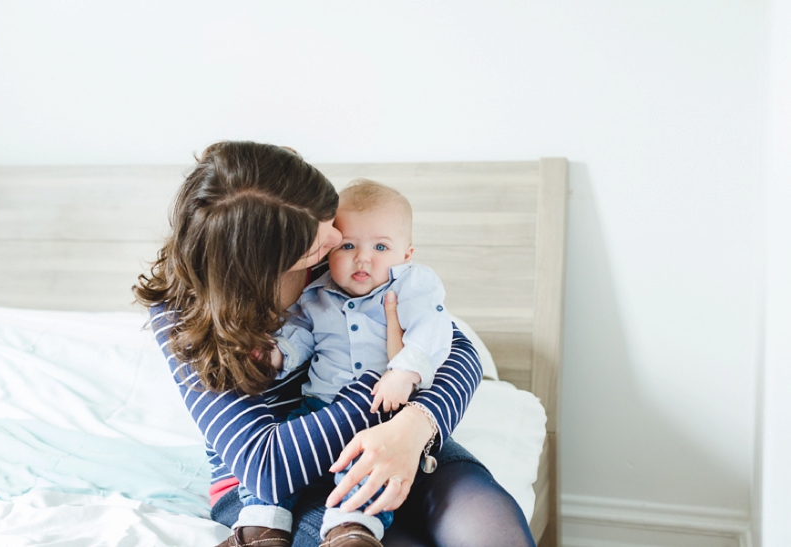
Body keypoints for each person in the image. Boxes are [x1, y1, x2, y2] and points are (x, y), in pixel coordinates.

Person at [133, 141, 535, 547]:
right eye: (317, 230)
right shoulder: (184, 314)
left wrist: (415, 425)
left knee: (488, 526)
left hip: (394, 438)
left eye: (325, 213)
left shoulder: (338, 255)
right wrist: (378, 390)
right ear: (265, 256)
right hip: (276, 493)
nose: (335, 232)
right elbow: (265, 465)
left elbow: (458, 349)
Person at [237, 179, 453, 544]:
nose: (363, 257)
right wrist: (276, 355)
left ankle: (351, 529)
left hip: (380, 413)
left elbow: (434, 329)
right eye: (349, 245)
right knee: (285, 464)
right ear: (329, 251)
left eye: (381, 246)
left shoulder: (412, 287)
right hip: (316, 408)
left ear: (406, 254)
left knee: (368, 469)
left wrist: (403, 369)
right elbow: (300, 336)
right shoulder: (315, 294)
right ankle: (262, 525)